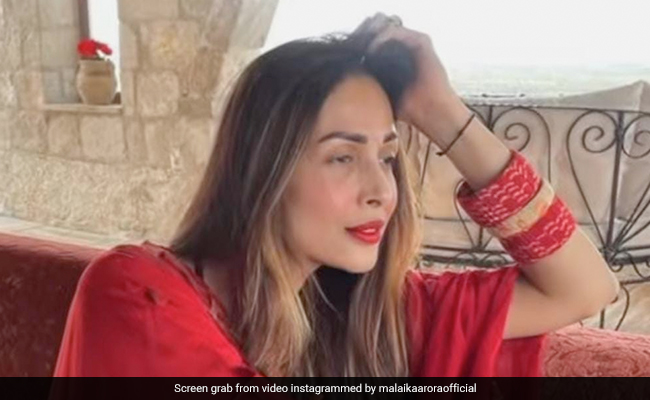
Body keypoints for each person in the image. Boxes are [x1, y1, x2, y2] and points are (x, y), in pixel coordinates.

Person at [53, 13, 619, 377]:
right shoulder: (135, 292)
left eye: (388, 157)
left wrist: (443, 114)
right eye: (343, 157)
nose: (381, 192)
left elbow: (585, 287)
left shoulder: (374, 315)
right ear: (264, 171)